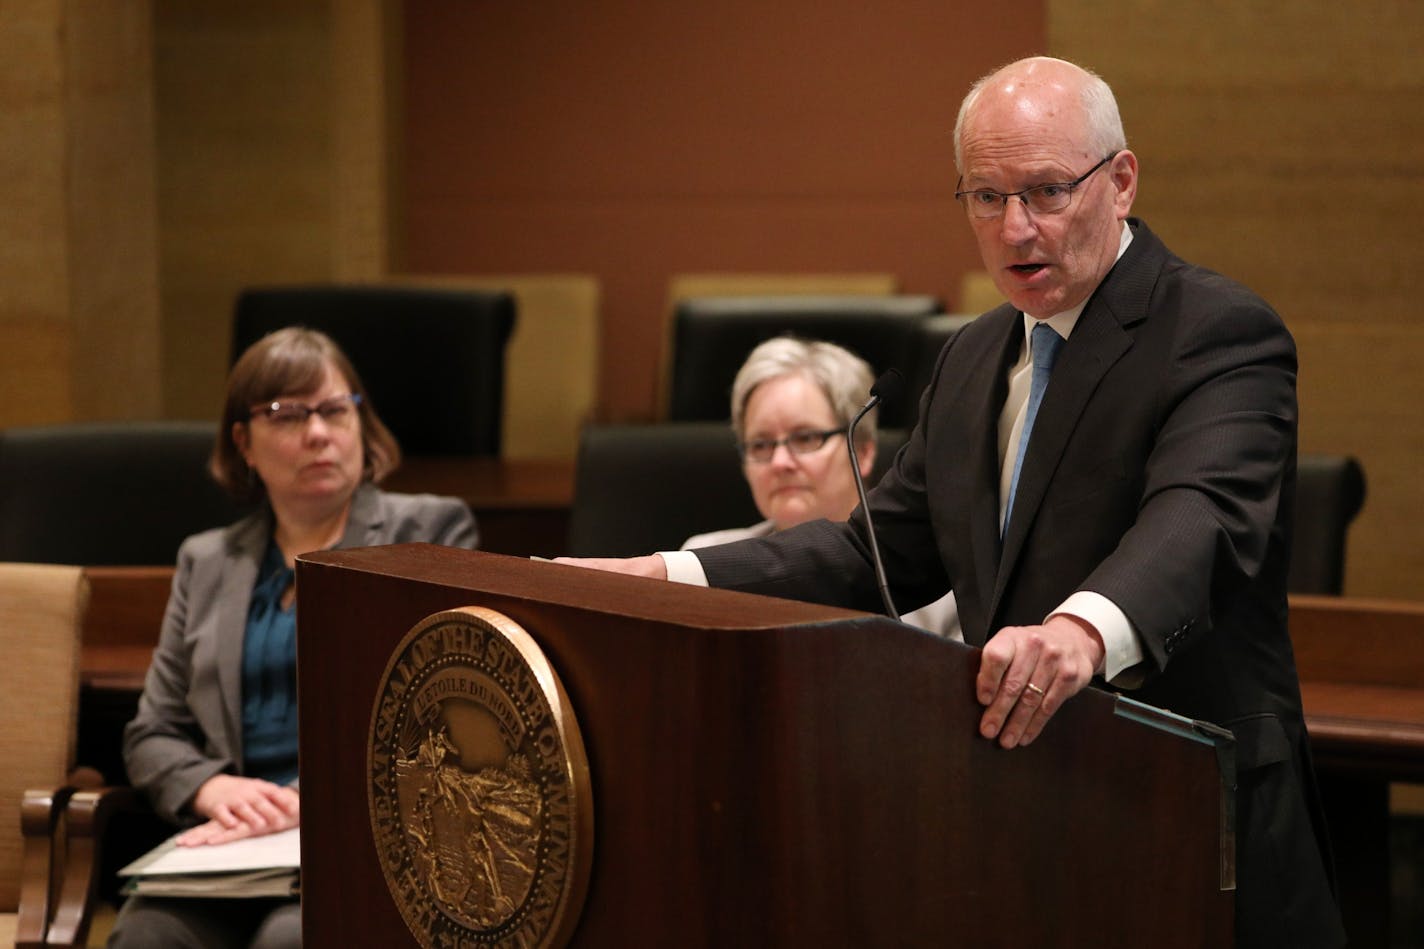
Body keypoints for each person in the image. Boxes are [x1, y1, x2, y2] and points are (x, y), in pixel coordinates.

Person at [560, 57, 1345, 947]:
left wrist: (1081, 630)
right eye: (985, 196)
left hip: (1191, 811)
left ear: (1121, 180)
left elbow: (1198, 518)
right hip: (1022, 815)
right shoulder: (973, 357)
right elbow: (873, 555)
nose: (1016, 227)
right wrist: (665, 575)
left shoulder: (1215, 330)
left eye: (1047, 190)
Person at [108, 327, 479, 949]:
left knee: (289, 941)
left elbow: (447, 712)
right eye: (287, 415)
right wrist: (210, 787)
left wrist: (309, 801)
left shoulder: (428, 532)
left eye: (335, 410)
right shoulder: (206, 561)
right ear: (243, 443)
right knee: (147, 937)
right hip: (230, 847)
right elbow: (152, 732)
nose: (317, 433)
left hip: (363, 838)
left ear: (362, 425)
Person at [681, 334, 960, 640]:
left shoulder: (943, 582)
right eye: (761, 444)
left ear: (864, 449)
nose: (780, 462)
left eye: (805, 438)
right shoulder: (700, 558)